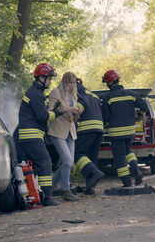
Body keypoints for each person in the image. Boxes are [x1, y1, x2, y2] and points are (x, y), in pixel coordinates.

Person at [16, 63, 68, 206]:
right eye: (49, 78)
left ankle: (35, 194)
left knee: (33, 166)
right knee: (45, 163)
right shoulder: (35, 94)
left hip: (28, 136)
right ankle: (48, 197)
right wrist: (56, 113)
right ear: (41, 78)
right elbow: (42, 117)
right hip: (31, 135)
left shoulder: (34, 93)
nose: (50, 81)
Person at [100, 70, 148, 188]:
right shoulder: (131, 94)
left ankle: (126, 182)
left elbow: (105, 117)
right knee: (128, 152)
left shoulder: (107, 97)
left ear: (109, 83)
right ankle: (136, 172)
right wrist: (139, 116)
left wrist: (105, 124)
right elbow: (144, 106)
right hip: (130, 131)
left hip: (116, 133)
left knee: (119, 158)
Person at [47, 72, 81, 201]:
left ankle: (50, 187)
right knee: (67, 161)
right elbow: (50, 111)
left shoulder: (74, 95)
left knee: (68, 163)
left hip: (71, 131)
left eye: (73, 82)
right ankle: (65, 190)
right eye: (68, 82)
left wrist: (76, 113)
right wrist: (66, 110)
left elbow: (74, 114)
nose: (70, 85)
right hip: (57, 131)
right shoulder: (55, 92)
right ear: (63, 81)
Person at [73, 78, 105, 195]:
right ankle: (90, 187)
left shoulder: (78, 94)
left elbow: (78, 109)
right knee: (92, 157)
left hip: (86, 128)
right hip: (99, 129)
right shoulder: (94, 95)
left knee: (77, 154)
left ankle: (95, 172)